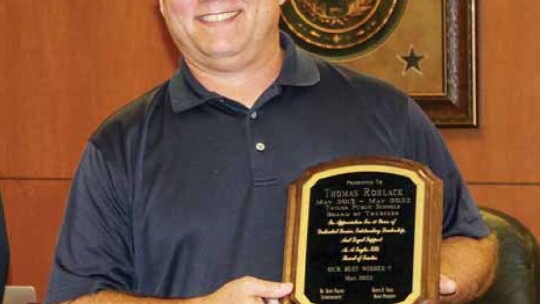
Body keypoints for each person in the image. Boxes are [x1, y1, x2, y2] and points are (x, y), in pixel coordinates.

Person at [45, 0, 498, 303]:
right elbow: (78, 297)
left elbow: (472, 241)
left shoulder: (387, 113)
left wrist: (434, 281)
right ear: (161, 5)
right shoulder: (118, 145)